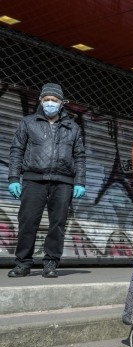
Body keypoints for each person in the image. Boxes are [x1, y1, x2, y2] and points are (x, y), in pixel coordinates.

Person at [7, 83, 86, 278]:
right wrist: (14, 178)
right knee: (27, 222)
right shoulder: (28, 122)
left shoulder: (73, 127)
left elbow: (80, 156)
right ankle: (23, 263)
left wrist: (80, 182)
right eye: (47, 100)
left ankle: (51, 263)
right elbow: (17, 150)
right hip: (34, 180)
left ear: (61, 104)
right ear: (41, 101)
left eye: (55, 100)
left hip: (63, 182)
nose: (50, 103)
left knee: (57, 224)